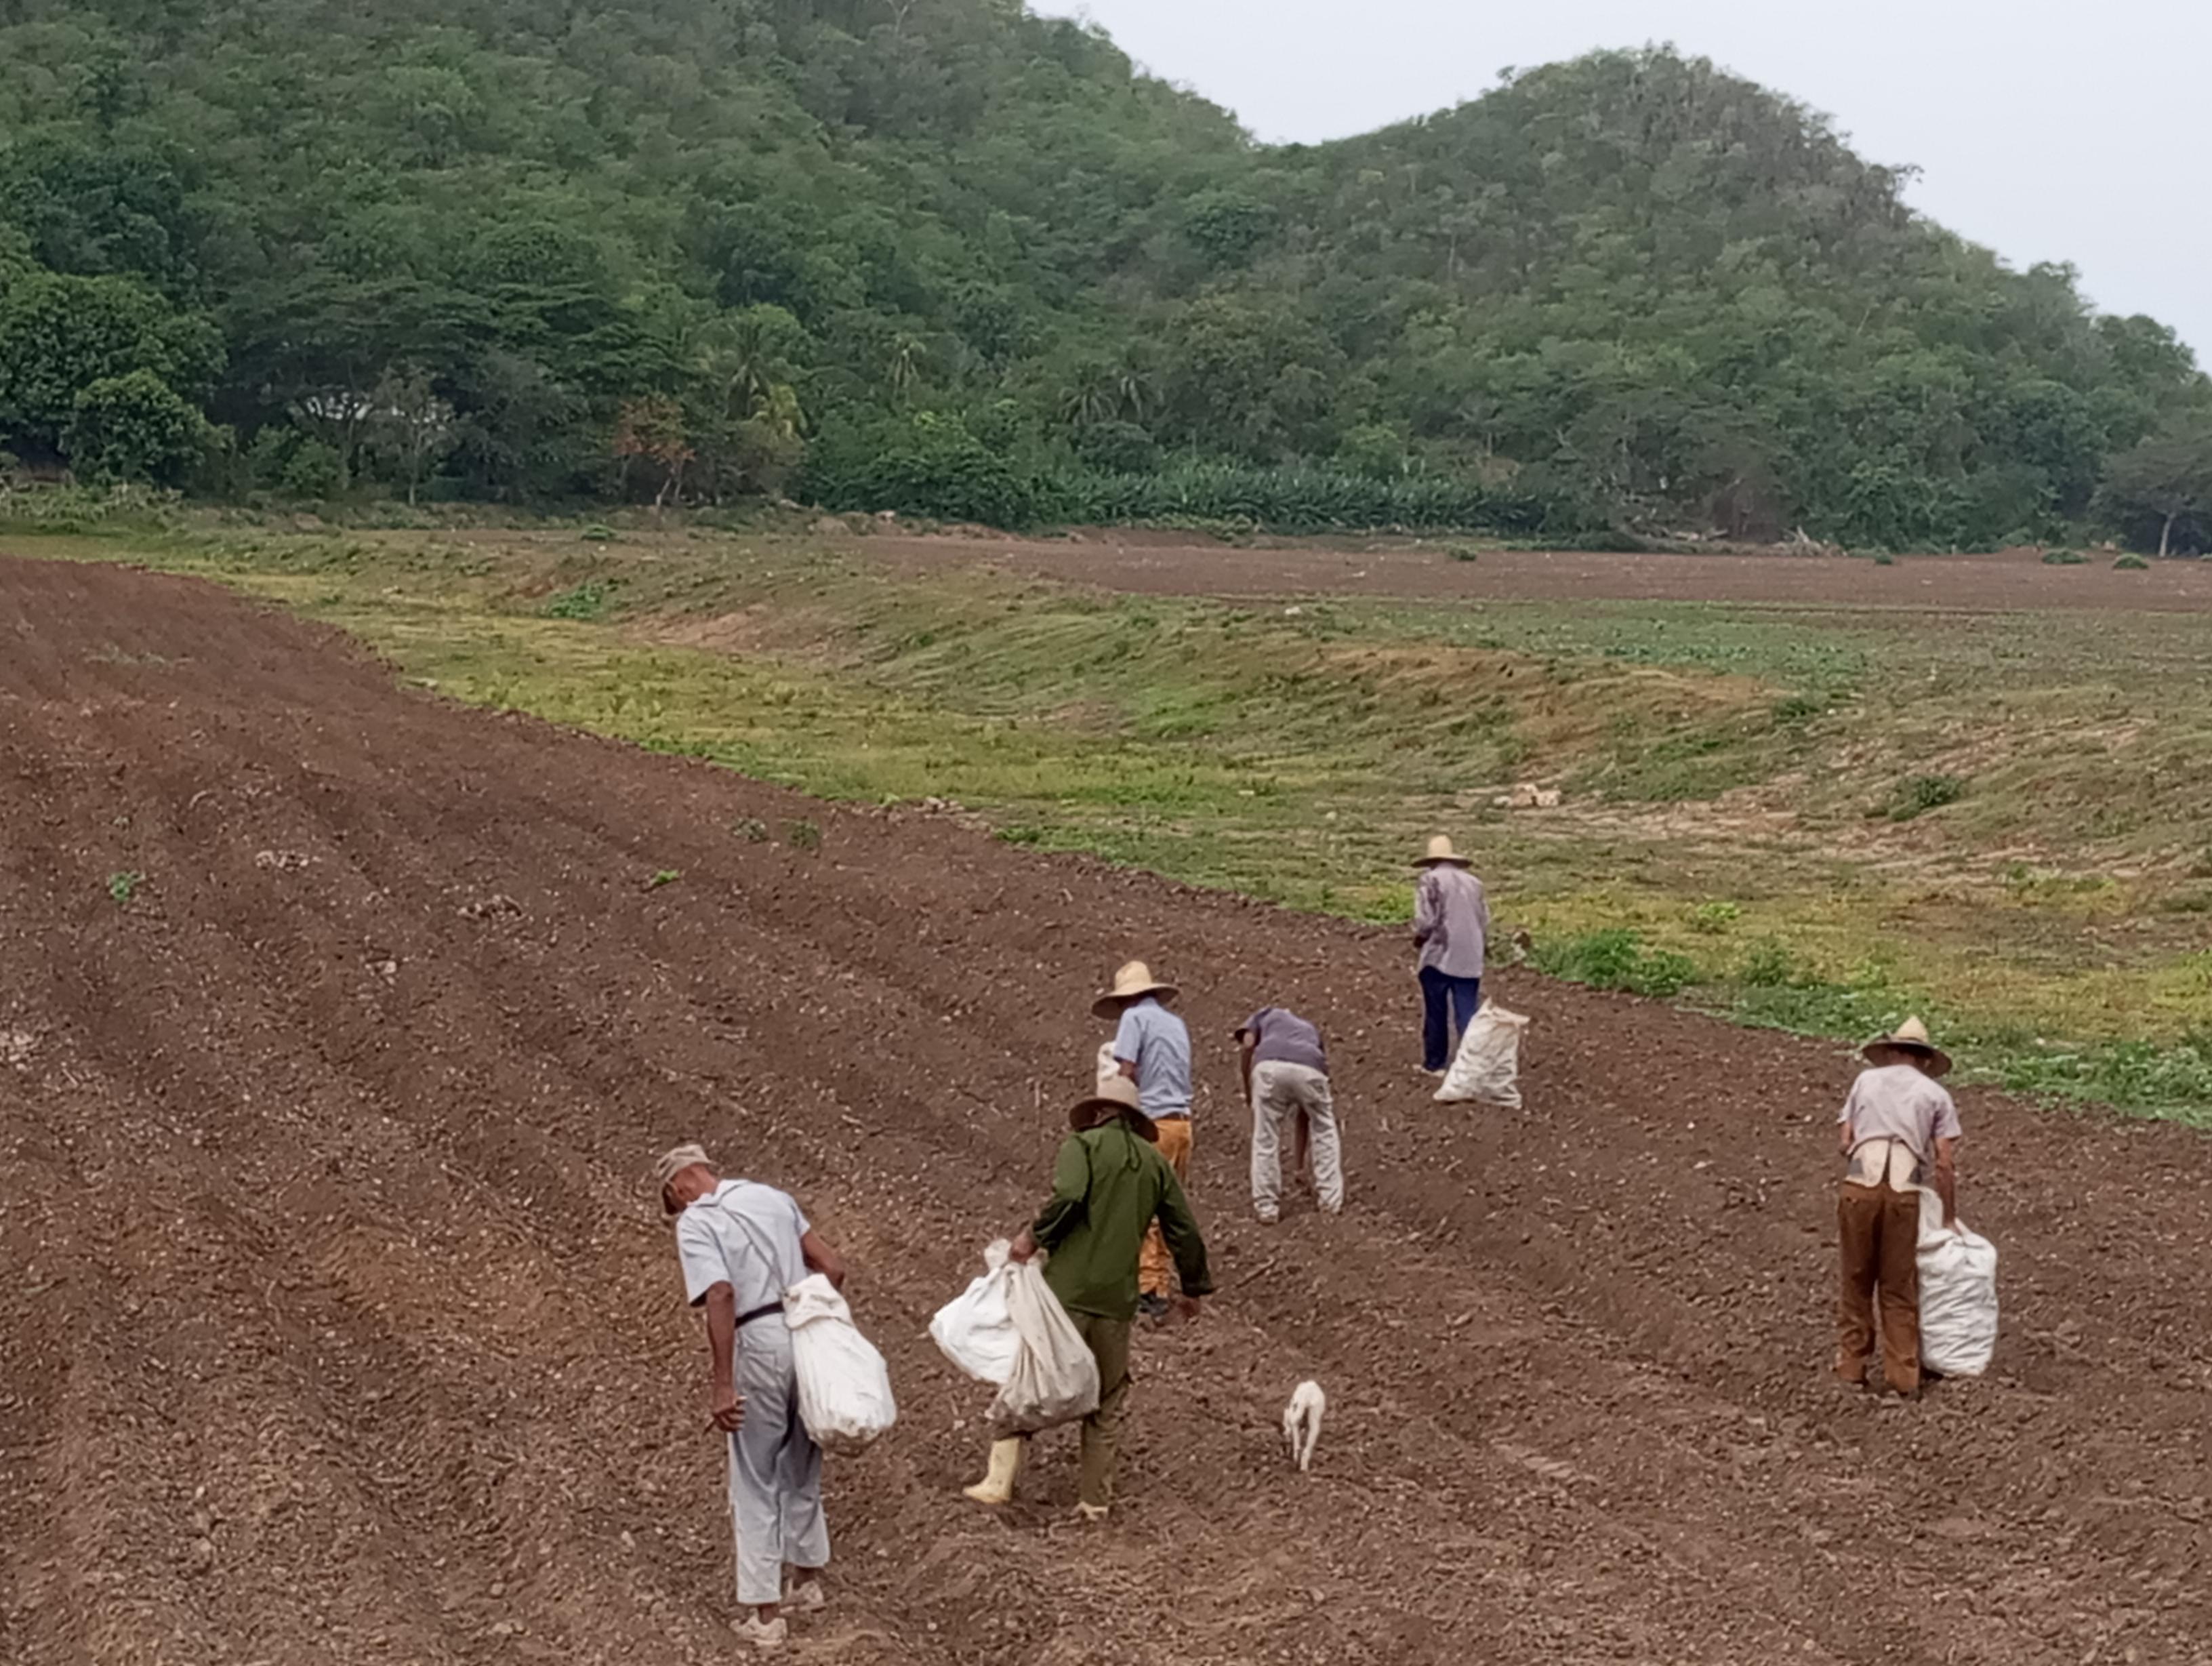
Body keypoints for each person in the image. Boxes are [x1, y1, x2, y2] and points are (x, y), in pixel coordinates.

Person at [962, 1072, 1212, 1520]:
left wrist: (1032, 1238)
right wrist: (1192, 1288)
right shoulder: (1153, 1164)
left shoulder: (1082, 1147)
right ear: (1135, 1121)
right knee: (1109, 1396)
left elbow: (1070, 1195)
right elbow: (1184, 1230)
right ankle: (1094, 1501)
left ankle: (998, 1483)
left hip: (1066, 1293)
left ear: (1098, 1113)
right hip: (1117, 1300)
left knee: (1028, 1378)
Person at [658, 1143, 848, 1651]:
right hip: (804, 1331)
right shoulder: (773, 1198)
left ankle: (765, 1616)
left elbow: (720, 1293)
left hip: (759, 1341)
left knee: (755, 1474)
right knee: (804, 1460)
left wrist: (723, 1383)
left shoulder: (696, 1222)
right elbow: (832, 1266)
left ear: (679, 1188)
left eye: (675, 1201)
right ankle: (806, 1582)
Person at [1835, 1018, 1962, 1399]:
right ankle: (1903, 1376)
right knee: (1898, 1287)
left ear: (1890, 1051)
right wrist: (1949, 1216)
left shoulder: (1865, 1082)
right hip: (1905, 1189)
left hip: (1860, 1184)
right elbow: (1944, 1162)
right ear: (1923, 1059)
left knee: (1856, 1279)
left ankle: (1851, 1368)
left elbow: (1846, 1140)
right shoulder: (1936, 1095)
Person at [1093, 959, 1193, 1320]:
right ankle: (1161, 1285)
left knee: (1143, 1205)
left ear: (1126, 1001)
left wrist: (1116, 1110)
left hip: (1153, 1123)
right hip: (1183, 1125)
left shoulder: (1134, 1020)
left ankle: (1148, 1289)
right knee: (1169, 1209)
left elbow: (1127, 1070)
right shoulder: (1175, 1023)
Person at [1236, 1006, 1341, 1223]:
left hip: (1269, 1067)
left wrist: (1248, 1090)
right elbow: (1305, 1115)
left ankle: (1267, 1207)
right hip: (1310, 1069)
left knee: (1266, 1136)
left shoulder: (1264, 1015)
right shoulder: (1310, 1031)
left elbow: (1247, 1044)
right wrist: (1299, 1166)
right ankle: (1330, 1202)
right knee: (1324, 1128)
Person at [1412, 835, 1491, 1074]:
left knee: (1437, 1011)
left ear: (1432, 860)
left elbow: (1425, 920)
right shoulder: (1474, 884)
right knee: (1466, 1011)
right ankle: (1472, 1066)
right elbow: (1484, 919)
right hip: (1471, 955)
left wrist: (1419, 939)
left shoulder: (1430, 881)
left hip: (1440, 954)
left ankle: (1435, 1064)